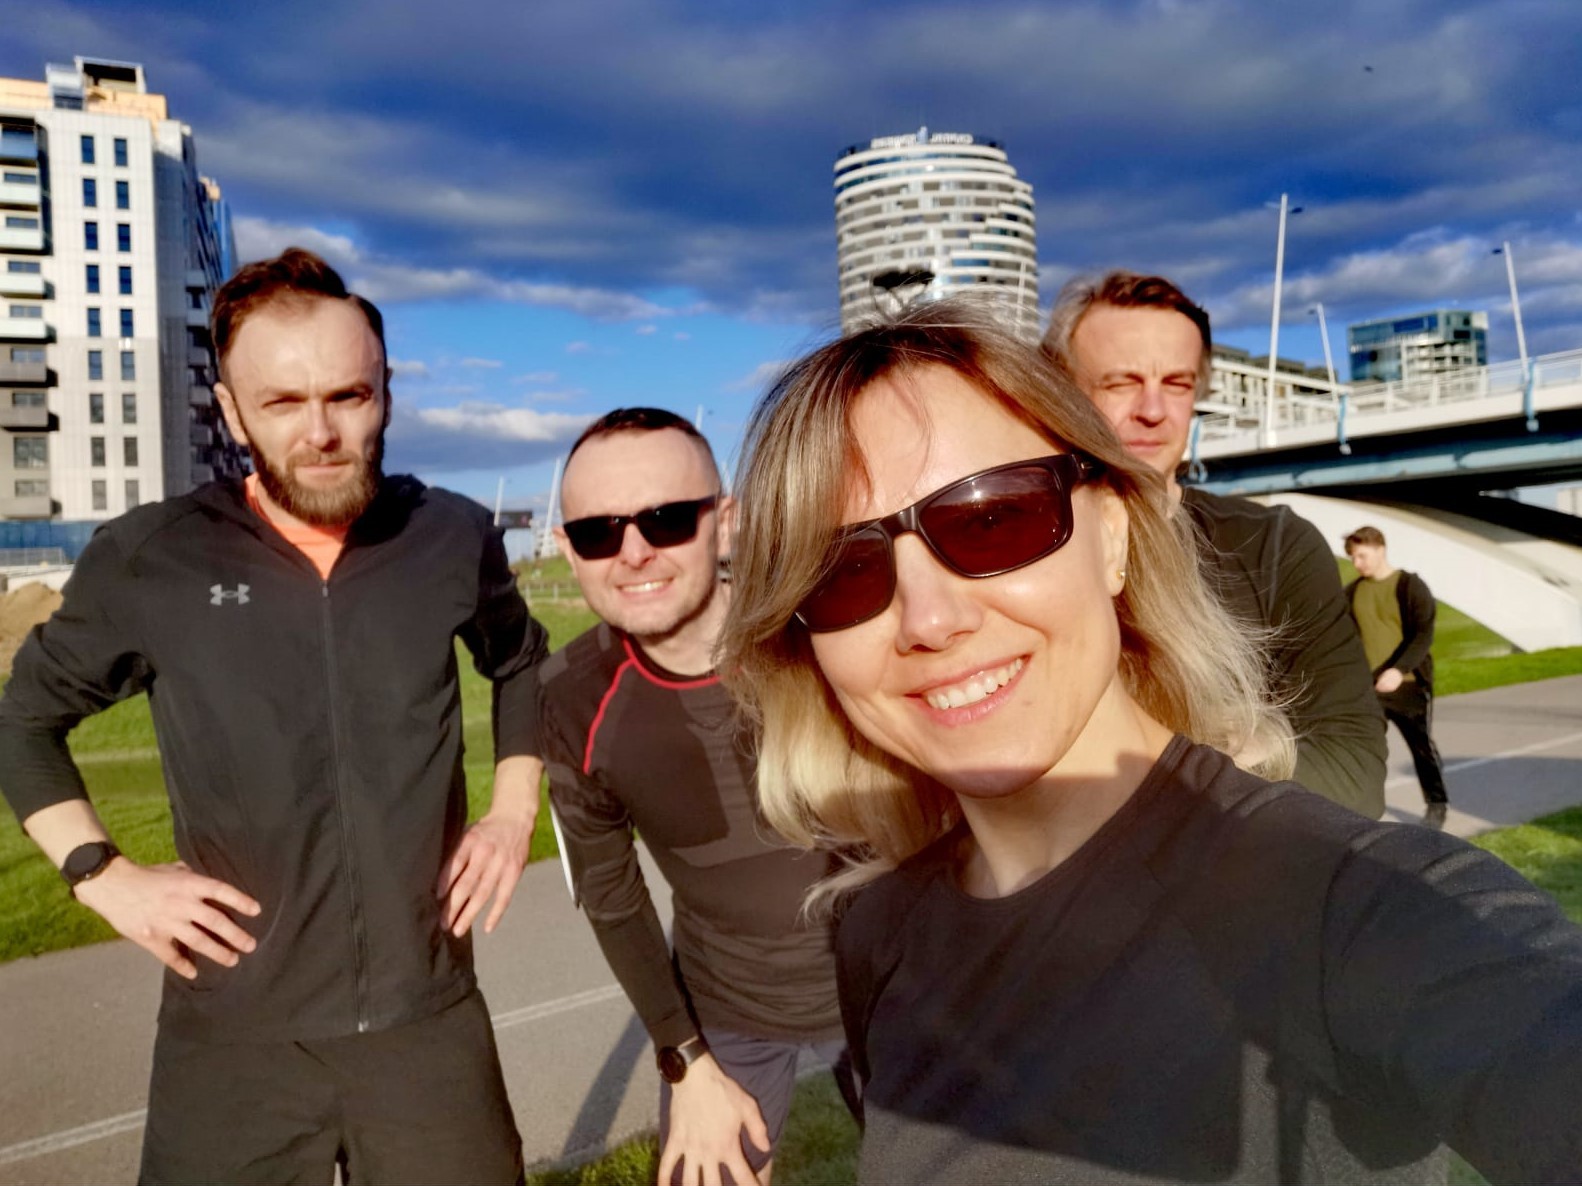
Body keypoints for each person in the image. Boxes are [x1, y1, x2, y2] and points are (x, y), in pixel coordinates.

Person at [719, 299, 1582, 1184]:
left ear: (1112, 536)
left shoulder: (1355, 907)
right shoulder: (879, 933)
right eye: (844, 572)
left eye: (991, 519)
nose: (929, 620)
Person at [0, 248, 546, 1184]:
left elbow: (523, 660)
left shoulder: (451, 535)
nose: (321, 432)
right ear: (231, 410)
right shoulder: (154, 558)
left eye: (349, 396)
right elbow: (21, 723)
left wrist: (511, 811)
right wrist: (102, 875)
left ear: (385, 392)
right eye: (284, 402)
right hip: (233, 1042)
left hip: (428, 1021)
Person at [529, 408, 848, 1186]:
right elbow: (612, 899)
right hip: (727, 1009)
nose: (634, 551)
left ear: (724, 521)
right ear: (568, 549)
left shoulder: (823, 625)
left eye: (667, 519)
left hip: (899, 984)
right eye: (599, 533)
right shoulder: (571, 698)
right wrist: (684, 1059)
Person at [1044, 271, 1388, 818]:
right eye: (1120, 383)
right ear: (1060, 389)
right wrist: (1241, 758)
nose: (1153, 410)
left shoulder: (1273, 547)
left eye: (1177, 384)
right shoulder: (1021, 552)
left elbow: (1354, 772)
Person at [1343, 525, 1450, 829]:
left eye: (1362, 556)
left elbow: (1423, 635)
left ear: (1380, 549)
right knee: (1364, 747)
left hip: (1409, 685)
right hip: (1369, 688)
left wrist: (1398, 670)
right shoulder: (1352, 593)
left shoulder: (1410, 586)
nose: (1357, 563)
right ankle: (1362, 808)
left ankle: (1437, 803)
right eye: (1353, 558)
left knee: (1421, 747)